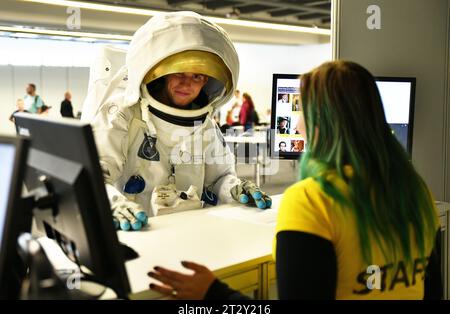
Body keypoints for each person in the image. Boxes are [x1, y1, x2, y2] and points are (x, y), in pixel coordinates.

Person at [147, 60, 442, 300]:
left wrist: (212, 295)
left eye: (303, 110)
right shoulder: (416, 192)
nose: (296, 122)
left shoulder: (312, 200)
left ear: (322, 121)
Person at [86, 12, 272, 232]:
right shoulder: (122, 114)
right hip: (136, 232)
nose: (187, 84)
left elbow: (218, 178)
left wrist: (235, 188)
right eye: (179, 73)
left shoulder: (204, 125)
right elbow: (94, 178)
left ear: (206, 82)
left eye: (197, 77)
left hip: (189, 232)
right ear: (159, 73)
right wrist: (112, 205)